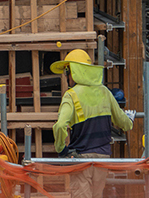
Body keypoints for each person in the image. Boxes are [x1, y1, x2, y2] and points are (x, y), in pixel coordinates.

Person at [51, 49, 134, 198]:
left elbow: (60, 125)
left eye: (66, 72)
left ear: (73, 72)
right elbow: (124, 123)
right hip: (103, 160)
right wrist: (130, 120)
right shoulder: (104, 92)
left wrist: (61, 149)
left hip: (82, 161)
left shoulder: (71, 95)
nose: (65, 77)